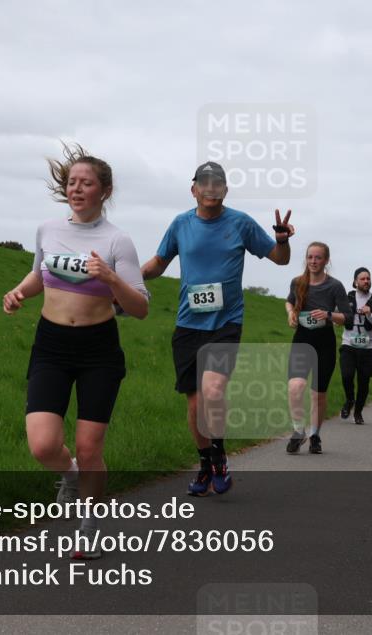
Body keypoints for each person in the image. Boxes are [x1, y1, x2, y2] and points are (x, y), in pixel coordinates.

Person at [3, 143, 149, 559]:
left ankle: (89, 528)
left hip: (98, 350)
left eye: (86, 183)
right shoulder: (48, 230)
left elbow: (140, 308)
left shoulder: (118, 241)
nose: (77, 189)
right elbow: (38, 275)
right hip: (51, 344)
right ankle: (67, 476)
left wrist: (110, 278)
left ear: (104, 191)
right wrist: (18, 292)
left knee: (89, 448)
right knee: (43, 446)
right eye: (72, 182)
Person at [142, 161, 294, 496]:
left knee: (212, 392)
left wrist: (282, 240)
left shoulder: (240, 223)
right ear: (193, 189)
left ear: (225, 190)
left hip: (226, 324)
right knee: (196, 405)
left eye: (218, 183)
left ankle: (220, 454)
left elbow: (279, 259)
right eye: (204, 183)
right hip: (187, 325)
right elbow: (158, 263)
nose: (211, 188)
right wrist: (126, 276)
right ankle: (204, 465)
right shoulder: (180, 224)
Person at [284, 242, 352, 454]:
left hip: (325, 342)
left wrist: (329, 315)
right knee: (295, 387)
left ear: (326, 260)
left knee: (317, 394)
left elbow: (348, 318)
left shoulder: (335, 286)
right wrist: (291, 313)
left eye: (318, 258)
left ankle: (315, 435)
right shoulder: (297, 282)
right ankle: (298, 432)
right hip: (302, 339)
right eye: (310, 257)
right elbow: (289, 302)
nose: (313, 261)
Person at [338, 267, 372, 425]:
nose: (366, 281)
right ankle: (349, 400)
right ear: (355, 281)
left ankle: (358, 412)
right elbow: (338, 315)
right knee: (346, 375)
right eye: (363, 279)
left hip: (369, 348)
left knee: (364, 382)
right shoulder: (347, 297)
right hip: (349, 344)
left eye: (368, 278)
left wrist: (369, 315)